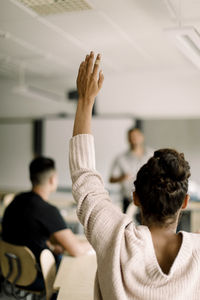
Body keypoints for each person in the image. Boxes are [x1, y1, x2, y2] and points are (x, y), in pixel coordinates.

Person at [69, 51, 200, 299]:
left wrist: (86, 100)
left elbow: (83, 177)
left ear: (136, 198)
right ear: (184, 202)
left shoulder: (113, 237)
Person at [2, 156, 92, 292]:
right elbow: (76, 250)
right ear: (52, 179)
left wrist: (49, 244)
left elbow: (26, 232)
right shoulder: (47, 210)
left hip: (10, 271)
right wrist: (94, 243)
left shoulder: (16, 200)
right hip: (37, 276)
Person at [109, 127, 153, 213]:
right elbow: (111, 179)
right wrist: (122, 178)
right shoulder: (121, 158)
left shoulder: (152, 155)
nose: (134, 139)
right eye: (131, 137)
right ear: (128, 139)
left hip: (149, 198)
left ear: (142, 137)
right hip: (128, 199)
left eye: (136, 136)